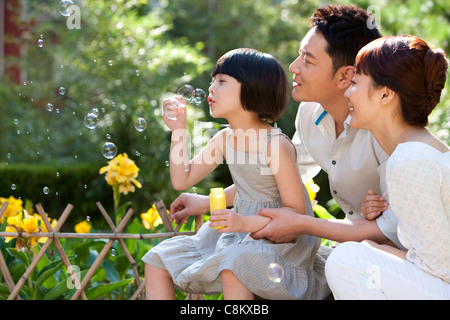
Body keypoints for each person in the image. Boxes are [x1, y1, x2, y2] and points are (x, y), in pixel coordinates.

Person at [170, 5, 402, 252]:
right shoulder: (310, 114)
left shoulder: (386, 129)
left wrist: (303, 224)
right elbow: (273, 178)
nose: (293, 66)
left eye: (307, 60)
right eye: (299, 55)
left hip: (400, 254)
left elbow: (396, 225)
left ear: (345, 77)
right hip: (356, 247)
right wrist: (207, 202)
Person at [142, 48, 330, 300]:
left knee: (233, 264)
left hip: (278, 238)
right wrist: (178, 131)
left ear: (253, 88)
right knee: (157, 259)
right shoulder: (224, 139)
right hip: (237, 231)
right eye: (212, 81)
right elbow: (182, 179)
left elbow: (295, 214)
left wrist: (245, 223)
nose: (211, 88)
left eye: (221, 81)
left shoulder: (274, 144)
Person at [324, 35, 450, 299]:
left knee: (347, 259)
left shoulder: (408, 160)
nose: (347, 92)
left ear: (385, 94)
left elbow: (441, 267)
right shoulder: (423, 149)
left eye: (356, 82)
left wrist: (371, 247)